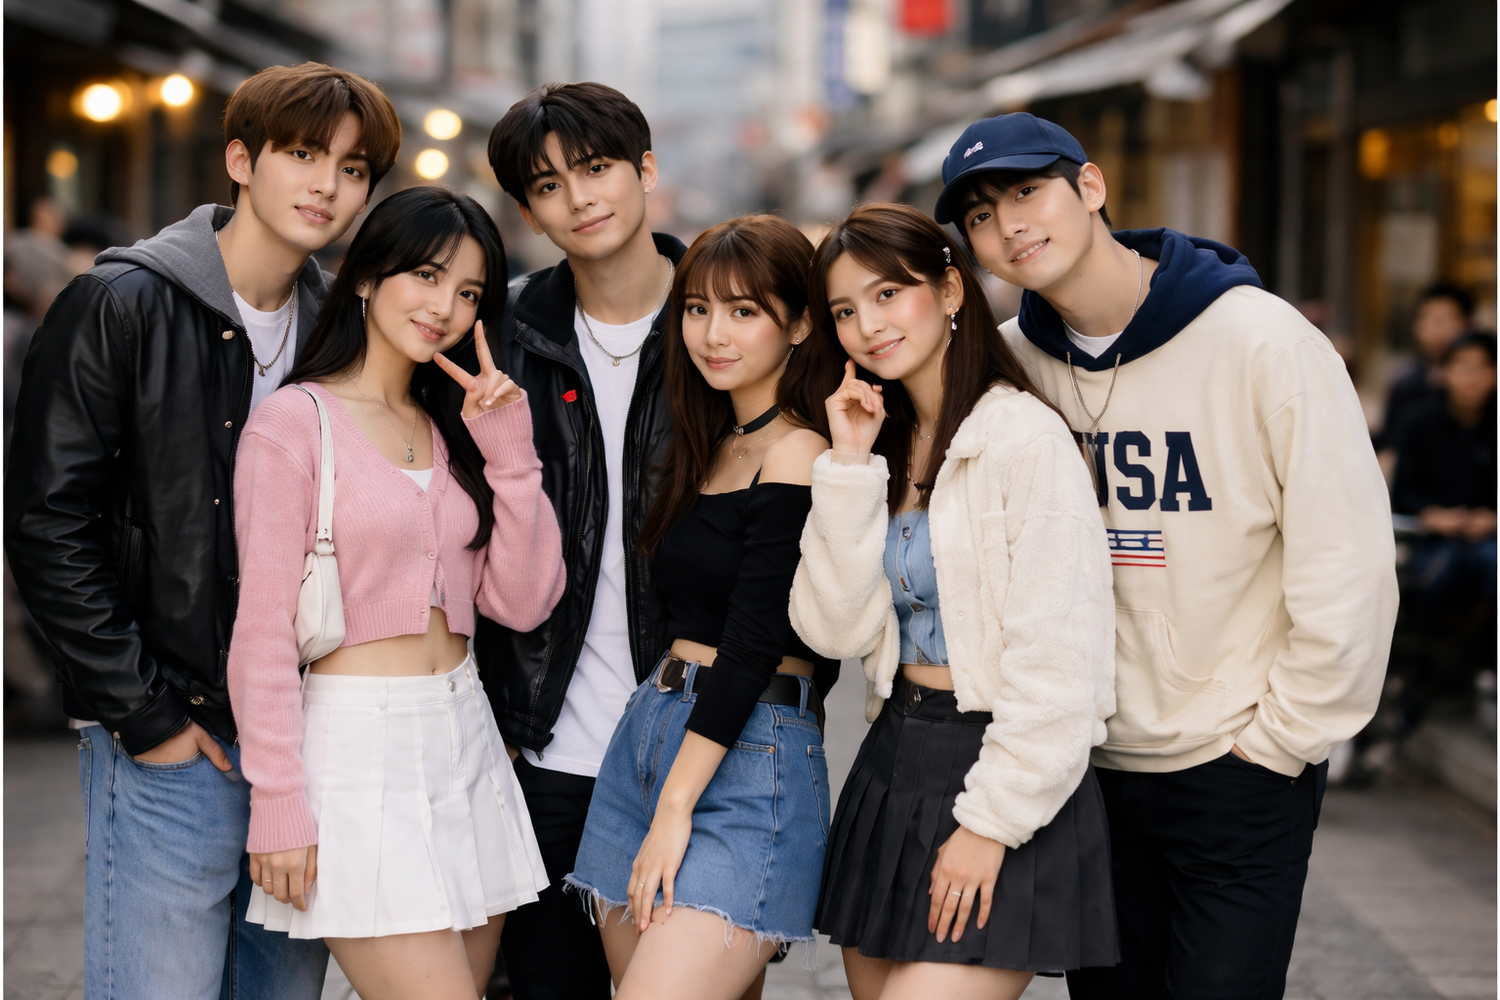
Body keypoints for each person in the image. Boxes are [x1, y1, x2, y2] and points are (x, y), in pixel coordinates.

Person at [936, 112, 1399, 998]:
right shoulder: (1010, 367)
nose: (1010, 225)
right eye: (982, 216)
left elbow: (1347, 563)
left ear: (1092, 187)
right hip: (1086, 779)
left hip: (1235, 768)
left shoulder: (1262, 340)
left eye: (1028, 190)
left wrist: (1281, 742)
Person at [4, 63, 400, 1000]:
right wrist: (145, 717)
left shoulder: (341, 328)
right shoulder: (119, 302)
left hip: (303, 747)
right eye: (303, 155)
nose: (326, 186)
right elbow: (47, 521)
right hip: (169, 732)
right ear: (240, 159)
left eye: (351, 169)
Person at [228, 185, 564, 1000]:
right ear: (367, 276)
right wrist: (278, 802)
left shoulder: (450, 427)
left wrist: (510, 455)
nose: (445, 307)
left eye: (471, 293)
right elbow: (263, 632)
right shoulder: (293, 425)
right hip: (354, 749)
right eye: (426, 275)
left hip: (464, 731)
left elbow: (523, 603)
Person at [789, 203, 1119, 1000]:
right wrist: (846, 468)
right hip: (895, 759)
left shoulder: (1022, 439)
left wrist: (990, 825)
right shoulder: (886, 445)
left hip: (1002, 768)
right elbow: (833, 629)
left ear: (948, 291)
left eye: (887, 294)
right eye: (844, 310)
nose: (867, 325)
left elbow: (1061, 664)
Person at [567, 215, 843, 1000]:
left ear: (798, 324)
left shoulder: (800, 452)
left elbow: (755, 644)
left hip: (749, 751)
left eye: (743, 311)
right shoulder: (713, 441)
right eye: (697, 308)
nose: (713, 334)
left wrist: (675, 809)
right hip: (650, 735)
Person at [479, 81, 686, 1000]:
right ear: (528, 210)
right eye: (550, 184)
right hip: (545, 751)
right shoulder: (504, 337)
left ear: (645, 169)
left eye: (598, 168)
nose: (581, 197)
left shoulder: (729, 326)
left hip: (694, 752)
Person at [1375, 283, 1476, 459]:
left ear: (1467, 323)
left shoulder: (1484, 380)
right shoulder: (1405, 383)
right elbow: (1391, 442)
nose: (1432, 329)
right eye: (1425, 319)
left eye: (1442, 321)